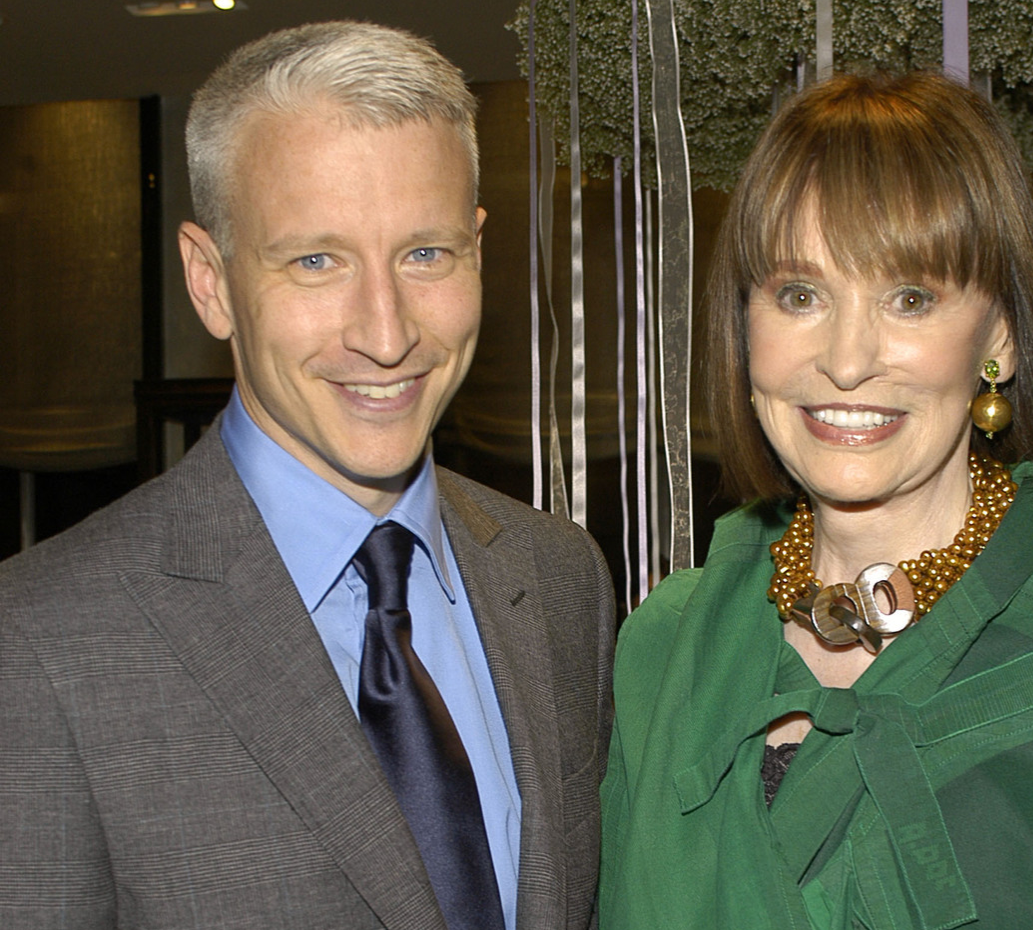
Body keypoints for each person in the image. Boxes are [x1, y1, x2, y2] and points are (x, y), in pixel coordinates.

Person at [0, 22, 614, 930]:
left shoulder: (560, 579)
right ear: (210, 281)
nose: (386, 333)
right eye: (316, 261)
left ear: (478, 252)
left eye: (426, 253)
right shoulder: (40, 643)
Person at [598, 71, 1033, 929]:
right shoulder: (666, 651)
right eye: (800, 295)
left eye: (909, 298)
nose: (847, 361)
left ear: (999, 339)